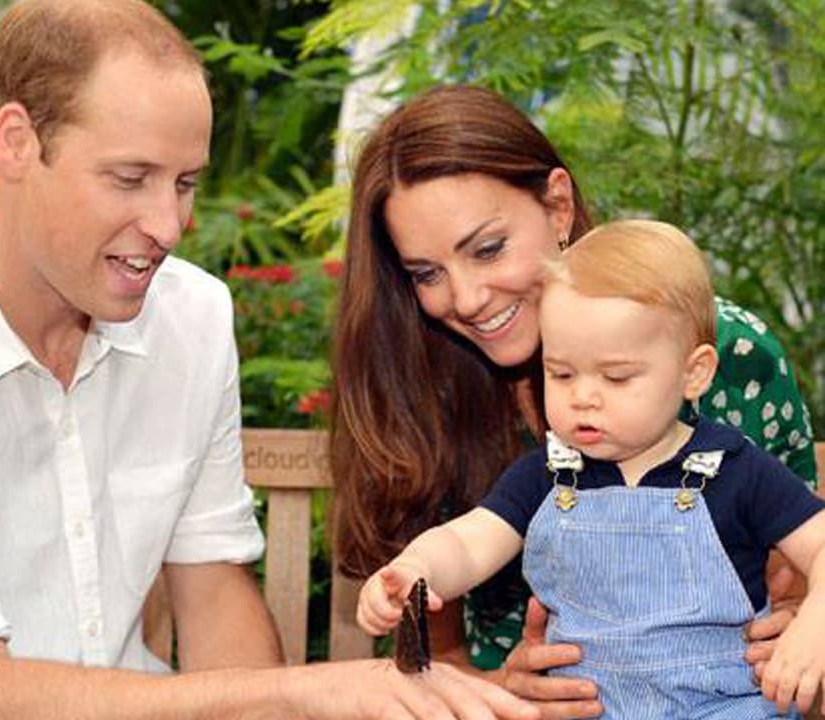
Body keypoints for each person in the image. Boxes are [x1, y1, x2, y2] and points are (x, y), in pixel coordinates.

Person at [0, 4, 541, 720]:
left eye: (185, 183)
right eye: (131, 178)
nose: (167, 226)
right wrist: (301, 691)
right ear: (17, 143)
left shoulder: (190, 316)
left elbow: (213, 588)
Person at [330, 84, 818, 719]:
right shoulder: (466, 415)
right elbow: (463, 556)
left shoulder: (709, 362)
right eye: (426, 273)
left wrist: (803, 628)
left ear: (557, 206)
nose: (469, 297)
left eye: (487, 248)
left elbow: (806, 564)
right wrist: (499, 687)